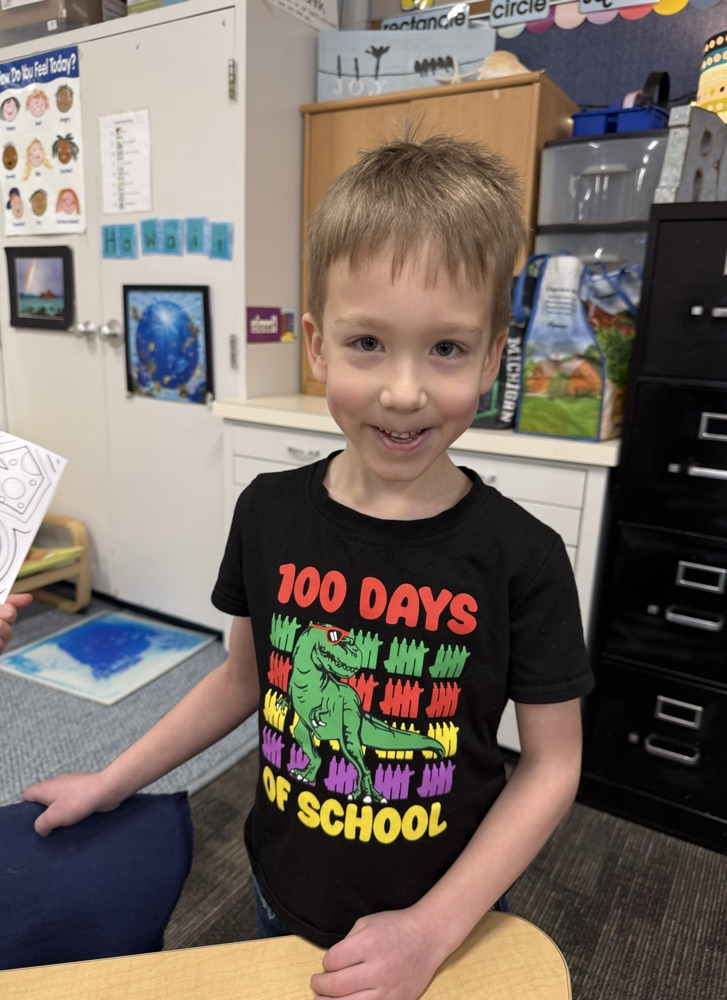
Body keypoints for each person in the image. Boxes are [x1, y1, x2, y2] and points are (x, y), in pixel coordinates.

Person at [22, 126, 593, 1000]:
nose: (404, 390)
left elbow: (553, 763)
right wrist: (112, 781)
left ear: (490, 359)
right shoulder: (270, 512)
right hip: (279, 887)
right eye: (369, 344)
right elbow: (242, 680)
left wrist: (434, 930)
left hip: (446, 920)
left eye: (445, 348)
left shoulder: (524, 556)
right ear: (319, 345)